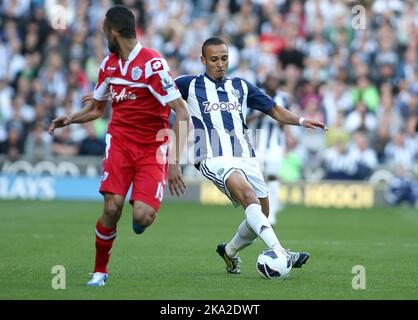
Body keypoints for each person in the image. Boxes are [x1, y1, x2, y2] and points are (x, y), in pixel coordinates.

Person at [48, 5, 189, 287]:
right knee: (112, 208)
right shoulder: (108, 65)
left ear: (113, 33)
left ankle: (141, 216)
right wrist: (71, 119)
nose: (104, 38)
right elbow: (97, 108)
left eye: (104, 32)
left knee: (143, 217)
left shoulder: (153, 64)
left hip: (152, 147)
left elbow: (182, 112)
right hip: (120, 143)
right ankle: (100, 271)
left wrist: (175, 163)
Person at [174, 37, 327, 274]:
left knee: (261, 215)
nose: (220, 64)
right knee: (248, 197)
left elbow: (273, 109)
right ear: (202, 60)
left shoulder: (241, 86)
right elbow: (156, 90)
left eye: (224, 58)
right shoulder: (189, 84)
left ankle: (229, 251)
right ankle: (281, 252)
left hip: (245, 154)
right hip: (211, 154)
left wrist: (301, 120)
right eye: (213, 59)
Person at [246, 74, 290, 226]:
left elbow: (284, 122)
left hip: (274, 144)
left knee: (272, 176)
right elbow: (245, 119)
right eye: (270, 80)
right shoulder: (256, 97)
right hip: (257, 142)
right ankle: (261, 210)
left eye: (275, 80)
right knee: (258, 177)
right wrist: (261, 113)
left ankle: (273, 211)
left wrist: (277, 118)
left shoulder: (282, 99)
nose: (273, 83)